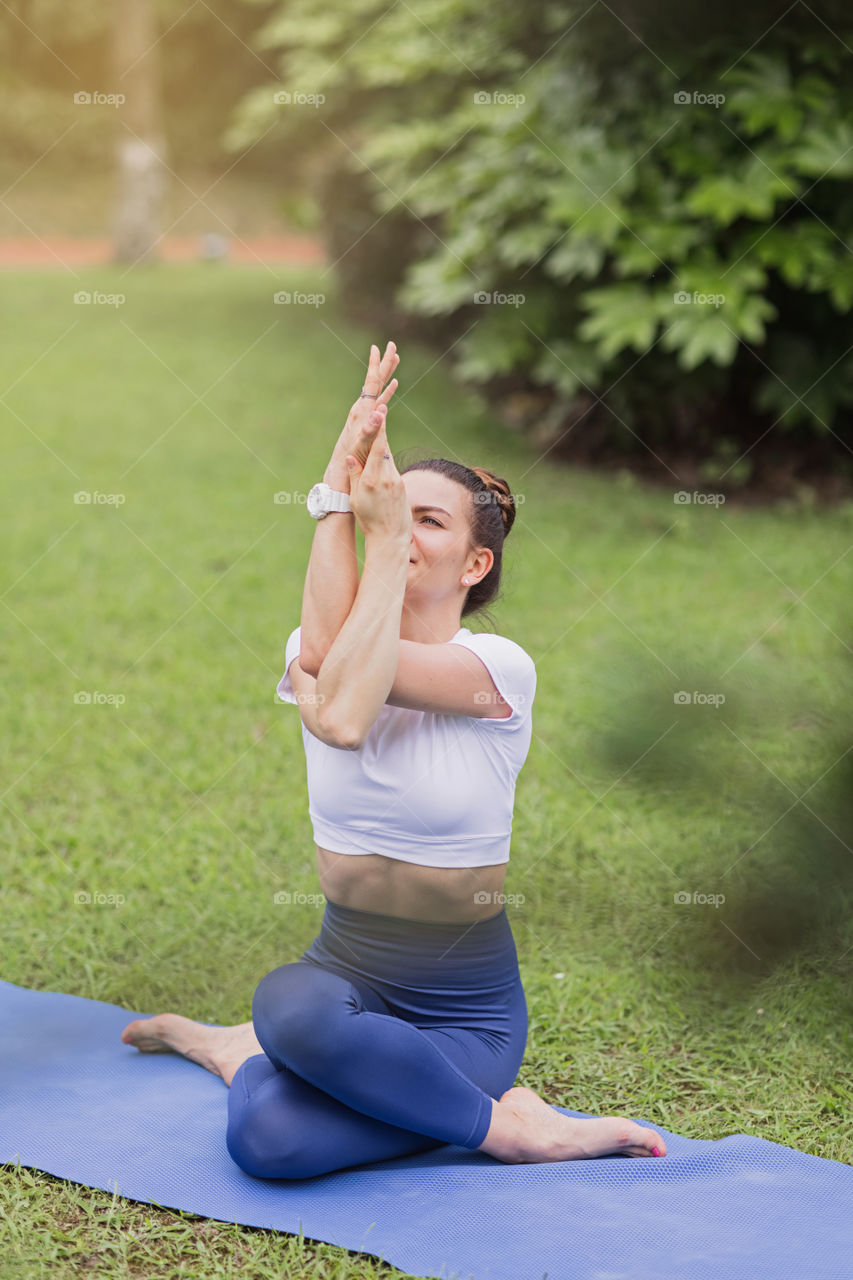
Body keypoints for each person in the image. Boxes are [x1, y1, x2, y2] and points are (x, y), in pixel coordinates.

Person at [121, 341, 667, 1177]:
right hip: (341, 975)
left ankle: (491, 1116)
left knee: (277, 1135)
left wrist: (377, 540)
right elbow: (338, 681)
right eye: (394, 508)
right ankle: (289, 1059)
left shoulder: (497, 670)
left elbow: (342, 712)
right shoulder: (311, 650)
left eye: (428, 521)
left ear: (475, 564)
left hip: (462, 1011)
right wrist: (336, 489)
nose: (402, 528)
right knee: (280, 1047)